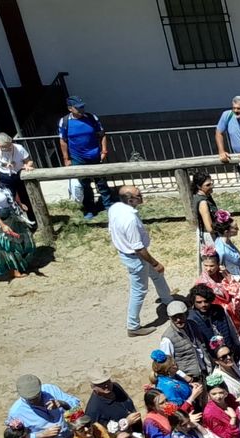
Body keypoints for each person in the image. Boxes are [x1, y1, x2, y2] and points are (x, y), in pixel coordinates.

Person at [109, 185, 173, 337]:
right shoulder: (129, 219)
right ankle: (133, 326)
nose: (142, 195)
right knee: (139, 291)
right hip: (136, 258)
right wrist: (155, 263)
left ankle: (168, 300)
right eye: (139, 195)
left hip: (129, 254)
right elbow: (139, 248)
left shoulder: (115, 207)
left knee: (157, 276)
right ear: (130, 199)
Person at [58, 96, 113, 219]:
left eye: (82, 106)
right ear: (70, 109)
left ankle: (108, 205)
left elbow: (102, 134)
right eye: (78, 107)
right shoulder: (65, 122)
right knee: (84, 184)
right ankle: (90, 209)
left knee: (101, 182)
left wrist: (104, 150)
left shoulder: (92, 118)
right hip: (78, 158)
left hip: (95, 155)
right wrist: (66, 159)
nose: (81, 109)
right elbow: (63, 140)